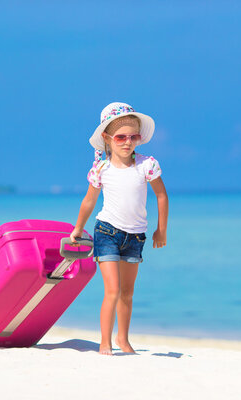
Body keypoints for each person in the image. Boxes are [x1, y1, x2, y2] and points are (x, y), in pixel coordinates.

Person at [69, 102, 169, 355]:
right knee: (112, 290)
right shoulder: (101, 169)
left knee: (127, 293)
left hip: (135, 236)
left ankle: (123, 340)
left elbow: (161, 196)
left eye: (133, 136)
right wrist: (78, 229)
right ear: (107, 138)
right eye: (121, 137)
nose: (127, 142)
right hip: (107, 233)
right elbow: (89, 201)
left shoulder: (147, 165)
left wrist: (161, 230)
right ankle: (105, 342)